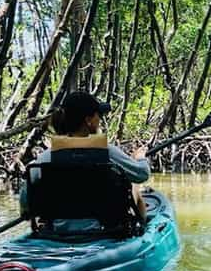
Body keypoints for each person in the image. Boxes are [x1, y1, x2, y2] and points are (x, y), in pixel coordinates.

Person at [24, 91, 149, 231]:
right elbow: (142, 174)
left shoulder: (48, 156)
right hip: (105, 230)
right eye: (98, 115)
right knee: (135, 188)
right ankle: (143, 229)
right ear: (88, 120)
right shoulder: (107, 151)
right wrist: (140, 158)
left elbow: (25, 198)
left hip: (57, 231)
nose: (100, 119)